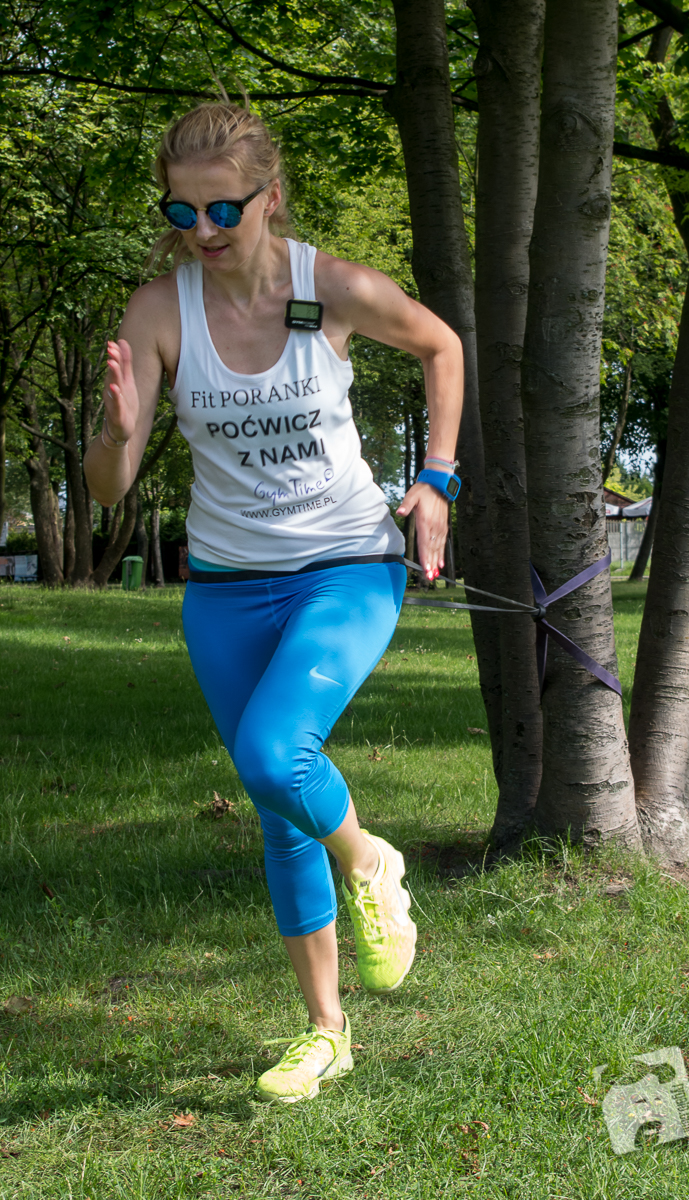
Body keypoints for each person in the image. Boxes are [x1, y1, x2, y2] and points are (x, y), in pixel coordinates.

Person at [84, 101, 463, 1104]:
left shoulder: (330, 286)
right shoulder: (159, 312)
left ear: (271, 198)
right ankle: (327, 1033)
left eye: (223, 210)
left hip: (346, 565)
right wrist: (116, 431)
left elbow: (441, 347)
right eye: (182, 211)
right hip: (224, 589)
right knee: (278, 810)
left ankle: (371, 863)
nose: (202, 231)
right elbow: (108, 490)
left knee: (272, 753)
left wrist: (438, 478)